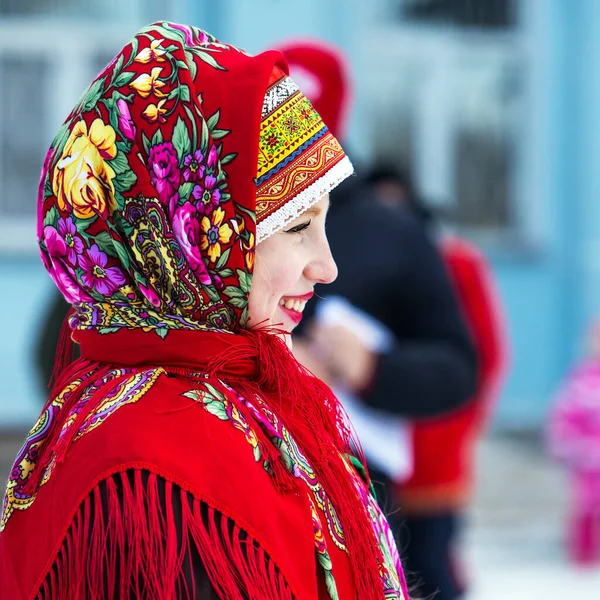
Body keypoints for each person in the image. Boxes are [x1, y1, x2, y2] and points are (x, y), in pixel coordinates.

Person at [0, 22, 408, 600]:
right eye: (296, 227)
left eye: (324, 222)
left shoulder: (253, 400)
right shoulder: (153, 475)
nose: (326, 266)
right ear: (190, 237)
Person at [548, 320, 600, 567]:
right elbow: (564, 416)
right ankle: (584, 558)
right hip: (588, 461)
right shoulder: (581, 380)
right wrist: (568, 444)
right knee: (587, 507)